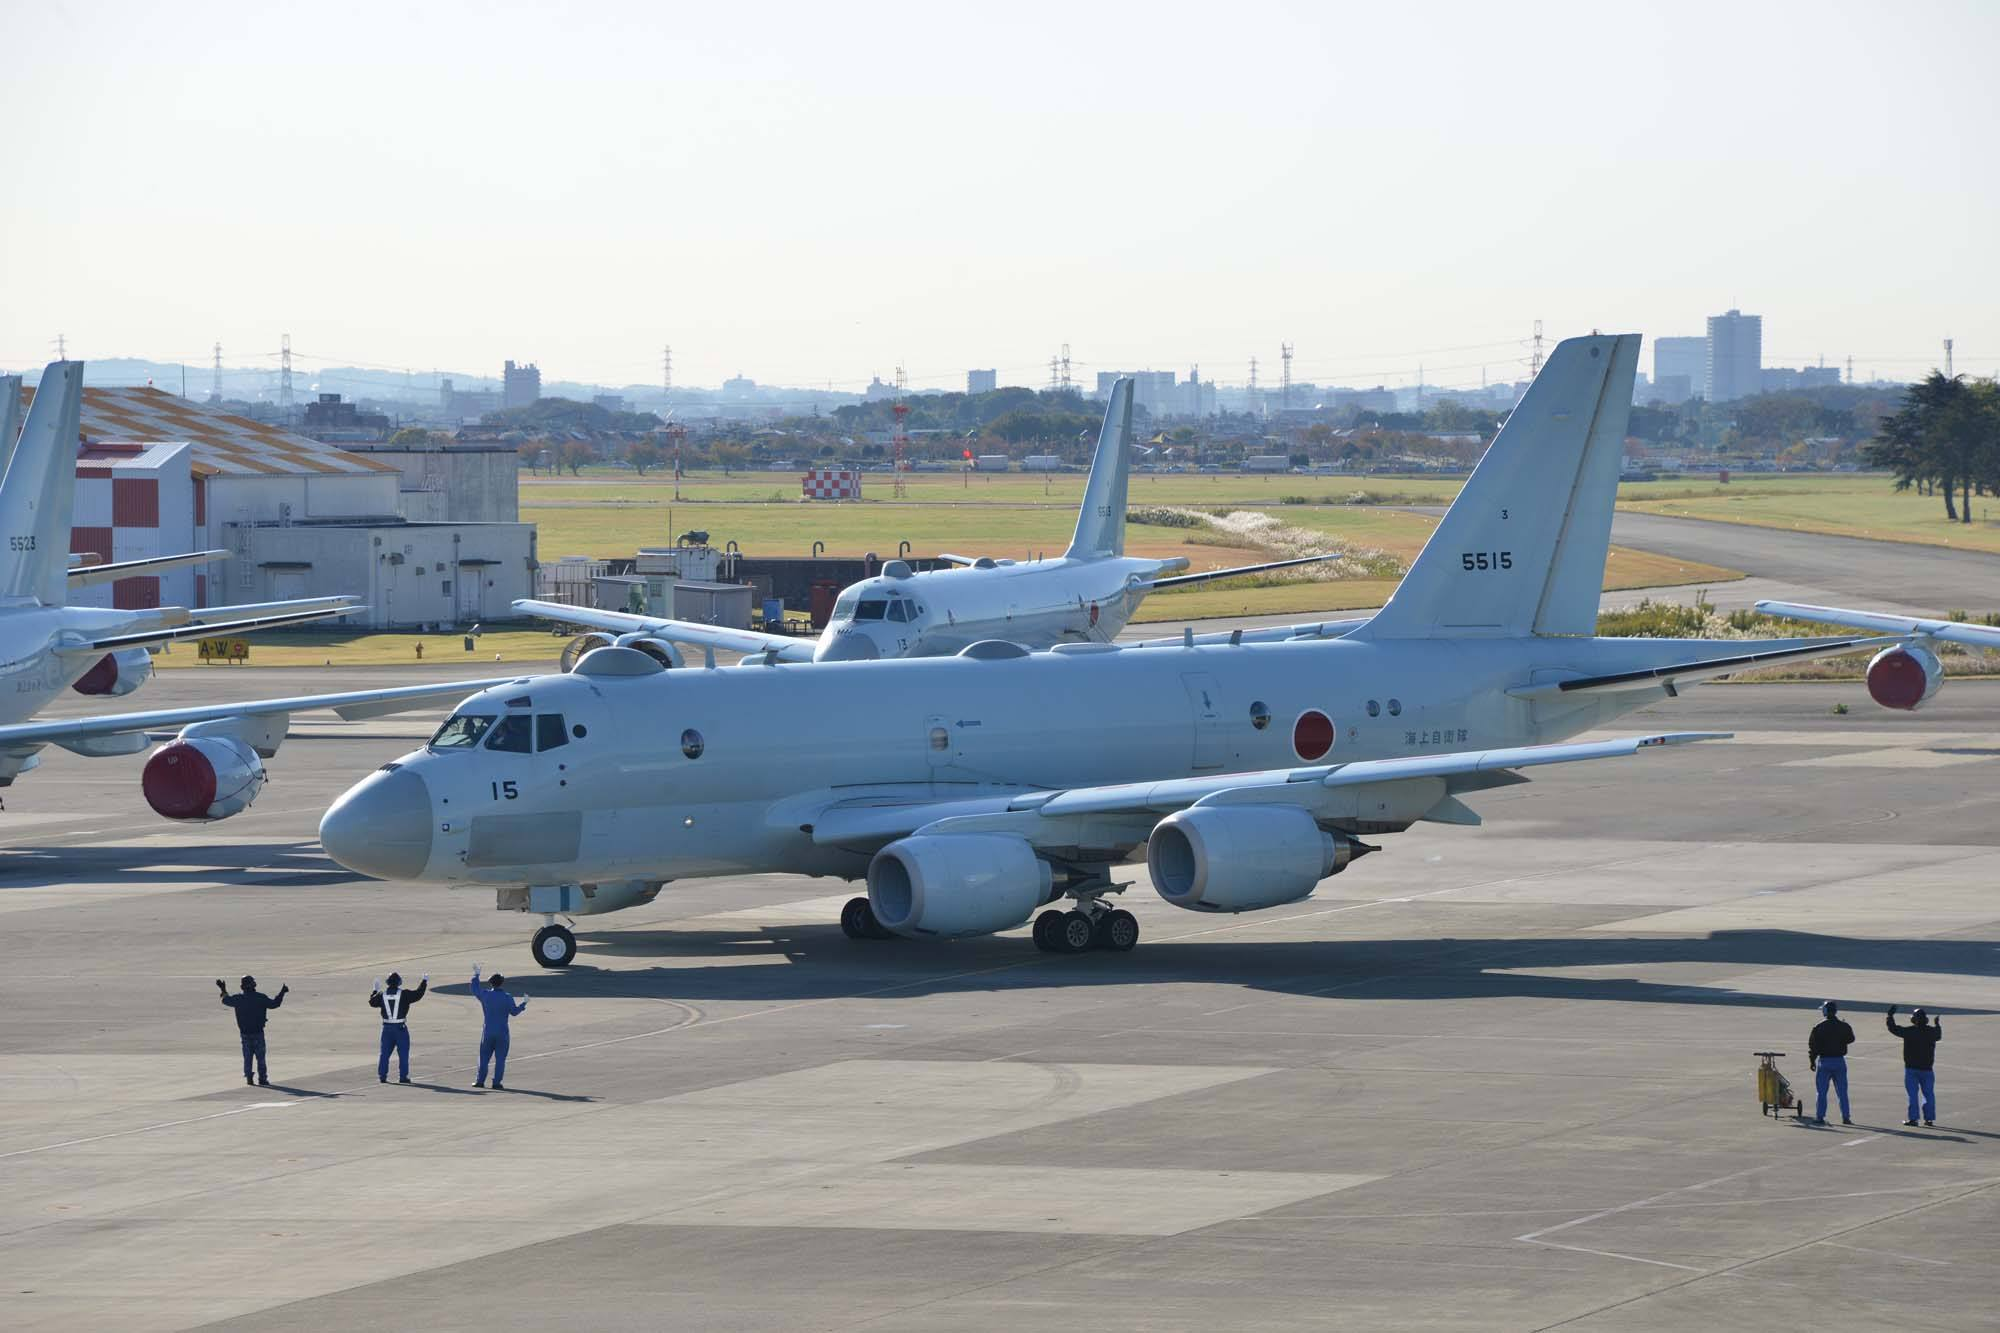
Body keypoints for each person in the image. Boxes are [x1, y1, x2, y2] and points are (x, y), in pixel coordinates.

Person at [217, 975, 287, 1087]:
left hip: (245, 1033)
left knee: (247, 1056)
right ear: (253, 985)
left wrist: (223, 989)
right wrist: (282, 992)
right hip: (258, 1032)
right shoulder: (260, 997)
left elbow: (225, 1000)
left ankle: (249, 1077)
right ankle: (262, 1078)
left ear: (242, 987)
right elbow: (274, 1004)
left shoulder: (238, 999)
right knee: (261, 1057)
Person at [470, 964, 530, 1090]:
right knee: (500, 1059)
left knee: (484, 1057)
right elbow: (514, 1012)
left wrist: (476, 975)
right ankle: (496, 1083)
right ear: (501, 983)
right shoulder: (507, 997)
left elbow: (474, 989)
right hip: (502, 1032)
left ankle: (480, 1081)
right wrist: (523, 1003)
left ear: (491, 983)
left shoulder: (485, 995)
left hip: (488, 1031)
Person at [1886, 1006, 1943, 1127]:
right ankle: (1929, 1119)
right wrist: (1937, 1024)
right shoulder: (1932, 1032)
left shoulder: (1909, 1031)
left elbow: (1893, 1028)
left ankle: (1913, 1118)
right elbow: (1938, 1035)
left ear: (1914, 1020)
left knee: (1912, 1095)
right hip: (1927, 1069)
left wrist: (1890, 1016)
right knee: (1929, 1094)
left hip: (1912, 1069)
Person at [369, 972, 428, 1084]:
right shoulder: (404, 994)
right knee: (403, 1053)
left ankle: (382, 1076)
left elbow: (372, 1002)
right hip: (400, 1028)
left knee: (384, 1053)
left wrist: (375, 991)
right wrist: (424, 982)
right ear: (399, 982)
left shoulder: (382, 995)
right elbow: (418, 994)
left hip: (386, 1028)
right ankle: (403, 1077)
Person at [1807, 999, 1857, 1125]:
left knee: (1822, 1092)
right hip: (1839, 1061)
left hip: (1824, 1061)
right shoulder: (1844, 1026)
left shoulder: (1819, 1027)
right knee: (1842, 1091)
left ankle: (1820, 1116)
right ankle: (1846, 1117)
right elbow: (1851, 1039)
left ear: (1825, 1011)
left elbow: (1813, 1047)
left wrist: (1812, 1061)